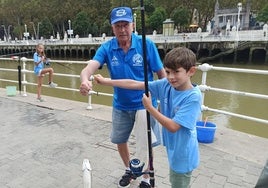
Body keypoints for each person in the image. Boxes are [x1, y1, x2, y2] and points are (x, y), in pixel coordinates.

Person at [79, 6, 166, 188]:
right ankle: (130, 169)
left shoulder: (146, 44)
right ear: (112, 28)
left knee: (145, 142)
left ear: (132, 25)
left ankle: (145, 178)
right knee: (119, 140)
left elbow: (161, 74)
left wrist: (163, 101)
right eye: (117, 25)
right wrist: (85, 80)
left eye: (125, 24)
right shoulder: (107, 48)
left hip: (145, 103)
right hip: (121, 104)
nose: (122, 29)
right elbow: (89, 68)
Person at [94, 47, 202, 188]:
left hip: (184, 154)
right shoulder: (166, 85)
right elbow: (134, 84)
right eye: (168, 72)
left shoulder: (193, 97)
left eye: (176, 72)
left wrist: (149, 108)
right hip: (173, 149)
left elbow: (173, 126)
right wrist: (106, 81)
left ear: (191, 71)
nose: (170, 77)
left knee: (178, 183)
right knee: (174, 180)